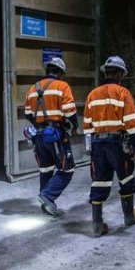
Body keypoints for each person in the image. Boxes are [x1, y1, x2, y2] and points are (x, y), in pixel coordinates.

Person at [82, 55, 135, 236]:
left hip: (97, 144)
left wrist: (90, 148)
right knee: (125, 178)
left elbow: (86, 125)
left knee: (99, 181)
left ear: (106, 73)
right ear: (120, 74)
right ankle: (129, 216)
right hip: (117, 144)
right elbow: (131, 123)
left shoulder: (92, 95)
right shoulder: (123, 93)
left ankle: (97, 225)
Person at [22, 56, 79, 217]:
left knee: (45, 169)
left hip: (38, 135)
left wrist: (40, 123)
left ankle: (47, 204)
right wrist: (74, 126)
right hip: (55, 135)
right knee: (67, 169)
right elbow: (70, 111)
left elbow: (27, 114)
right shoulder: (62, 85)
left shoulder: (33, 88)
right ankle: (48, 196)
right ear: (60, 72)